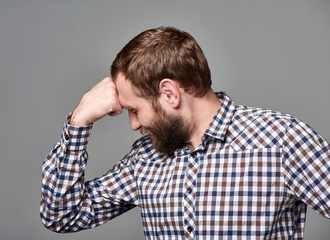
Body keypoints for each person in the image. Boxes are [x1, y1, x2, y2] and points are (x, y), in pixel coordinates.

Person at [40, 27, 330, 239]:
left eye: (135, 110)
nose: (133, 125)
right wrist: (78, 124)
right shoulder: (144, 159)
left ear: (169, 93)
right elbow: (62, 215)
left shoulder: (280, 140)